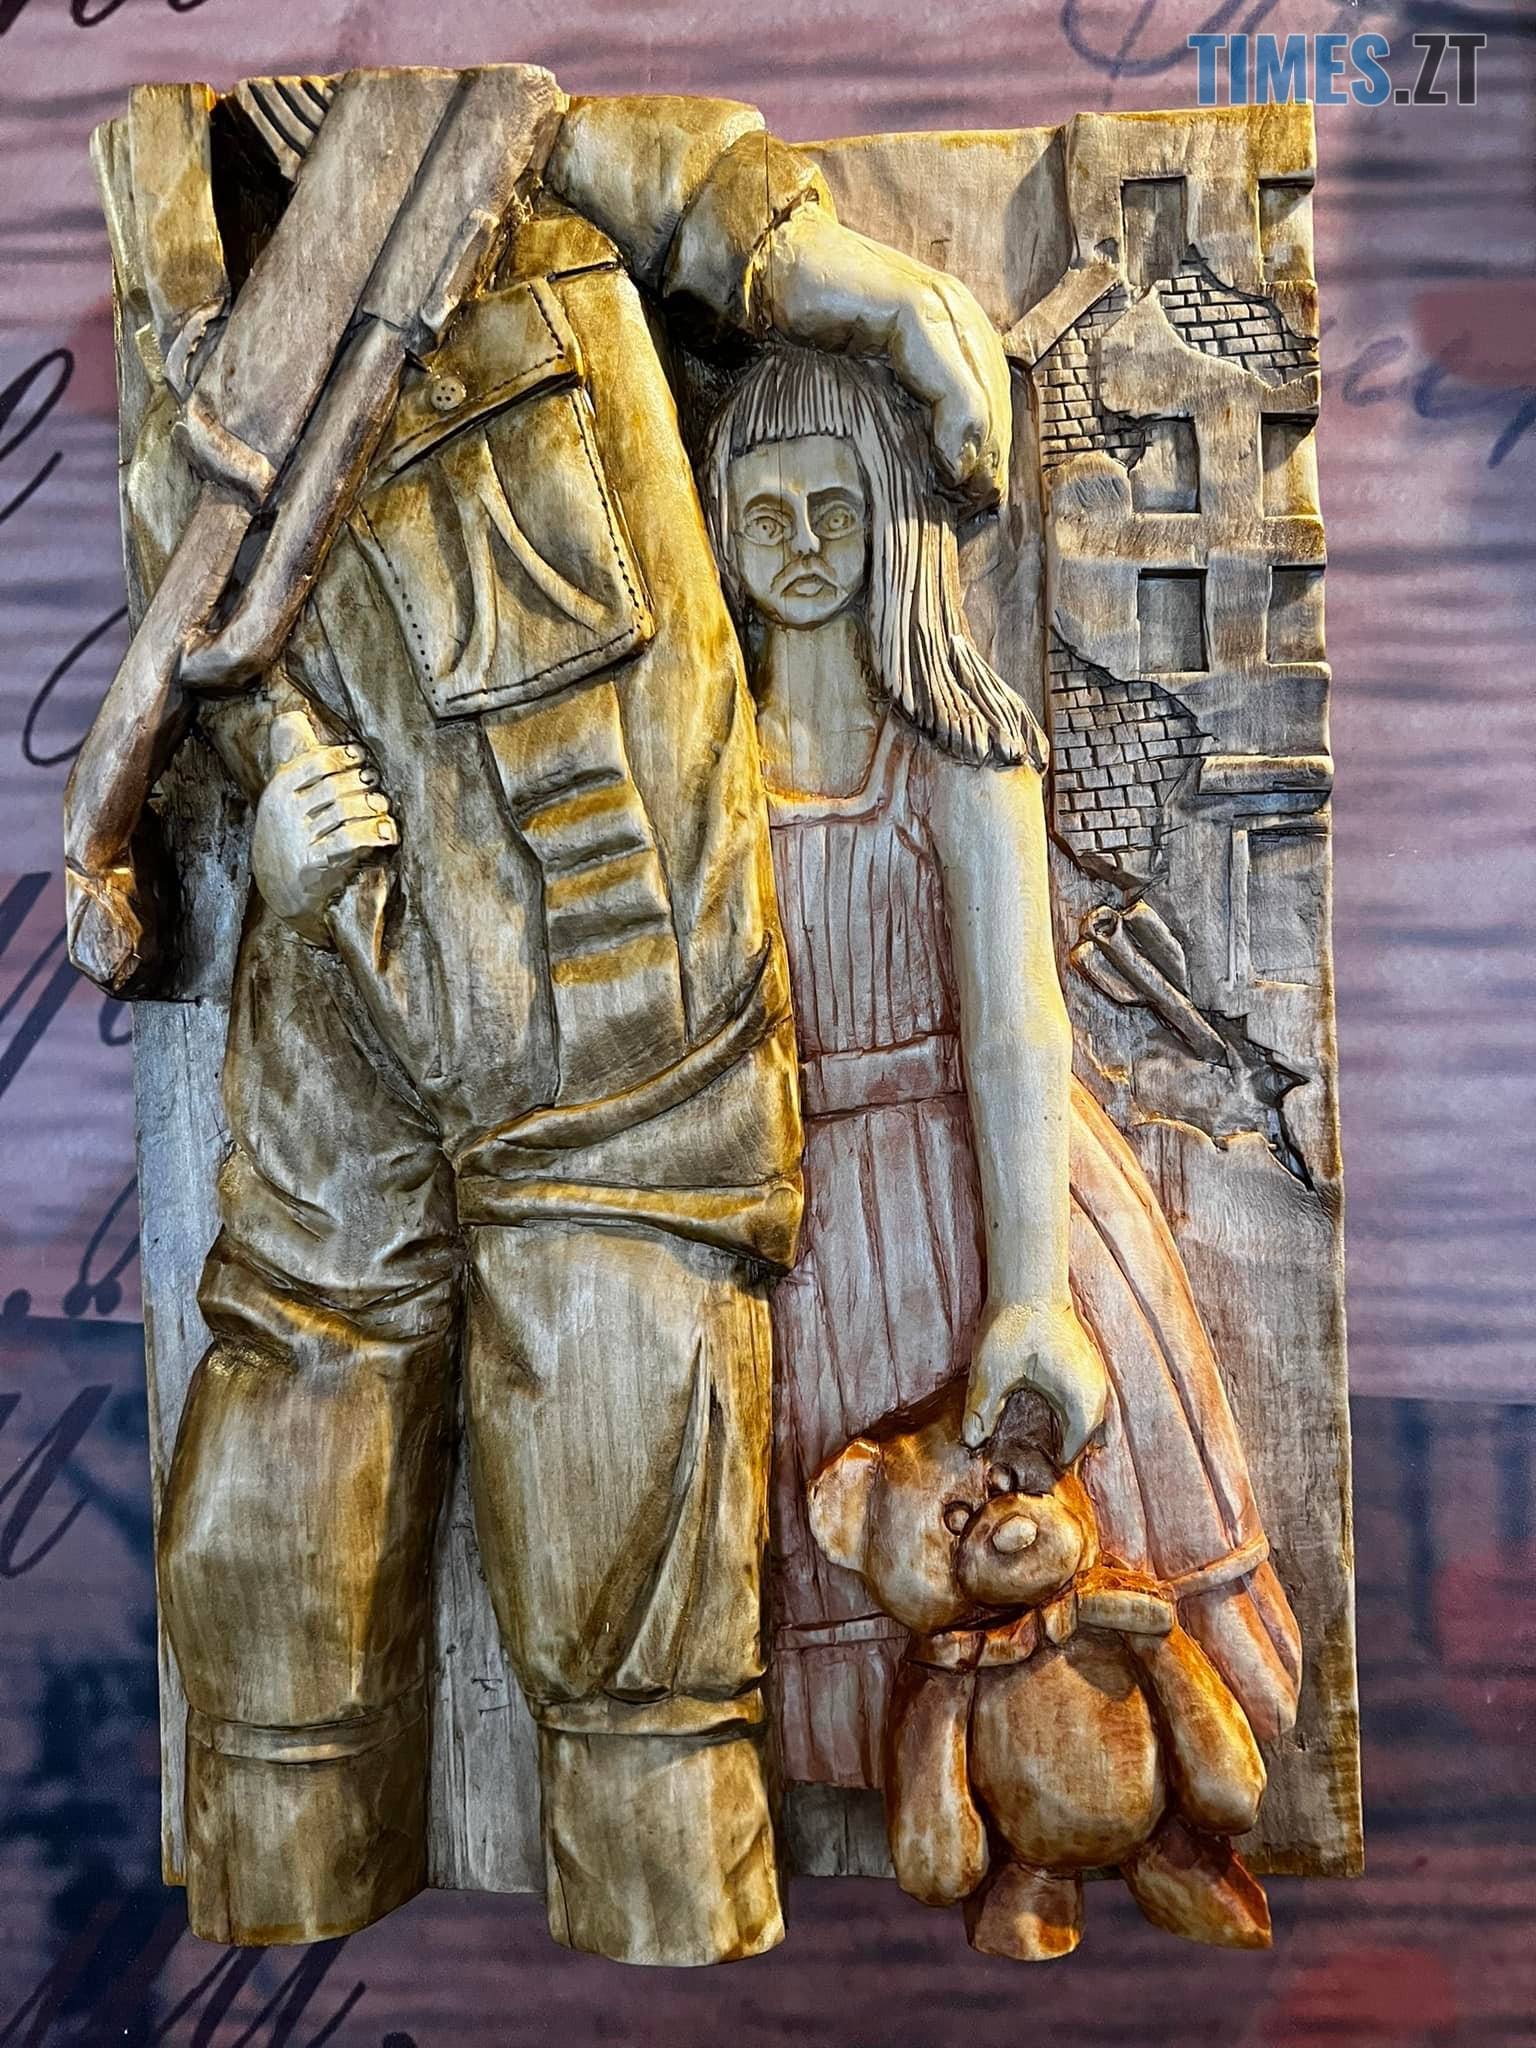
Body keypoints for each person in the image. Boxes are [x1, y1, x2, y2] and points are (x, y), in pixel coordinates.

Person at [79, 81, 1015, 1964]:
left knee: (636, 1553)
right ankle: (285, 1881)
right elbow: (176, 676)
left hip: (618, 989)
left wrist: (839, 273)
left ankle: (668, 1919)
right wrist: (252, 810)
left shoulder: (484, 169)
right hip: (338, 999)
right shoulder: (175, 264)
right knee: (275, 1532)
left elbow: (623, 162)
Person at [700, 347, 1302, 1791]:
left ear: (894, 520)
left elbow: (1021, 1023)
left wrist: (1030, 1292)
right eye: (765, 514)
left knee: (1029, 1554)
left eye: (835, 510)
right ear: (718, 528)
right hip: (794, 1228)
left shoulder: (964, 758)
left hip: (970, 1201)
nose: (801, 547)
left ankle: (1090, 1776)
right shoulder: (701, 770)